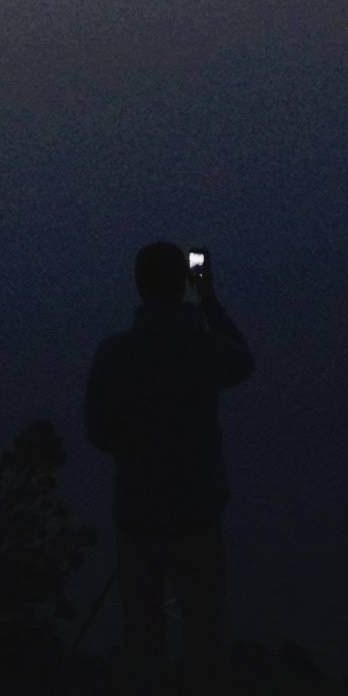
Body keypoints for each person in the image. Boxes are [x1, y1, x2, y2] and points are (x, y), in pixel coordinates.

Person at [84, 240, 254, 672]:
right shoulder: (204, 349)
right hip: (198, 515)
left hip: (137, 516)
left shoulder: (114, 354)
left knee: (142, 635)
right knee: (204, 630)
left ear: (138, 285)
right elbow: (244, 362)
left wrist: (137, 446)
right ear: (184, 283)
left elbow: (97, 432)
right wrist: (209, 300)